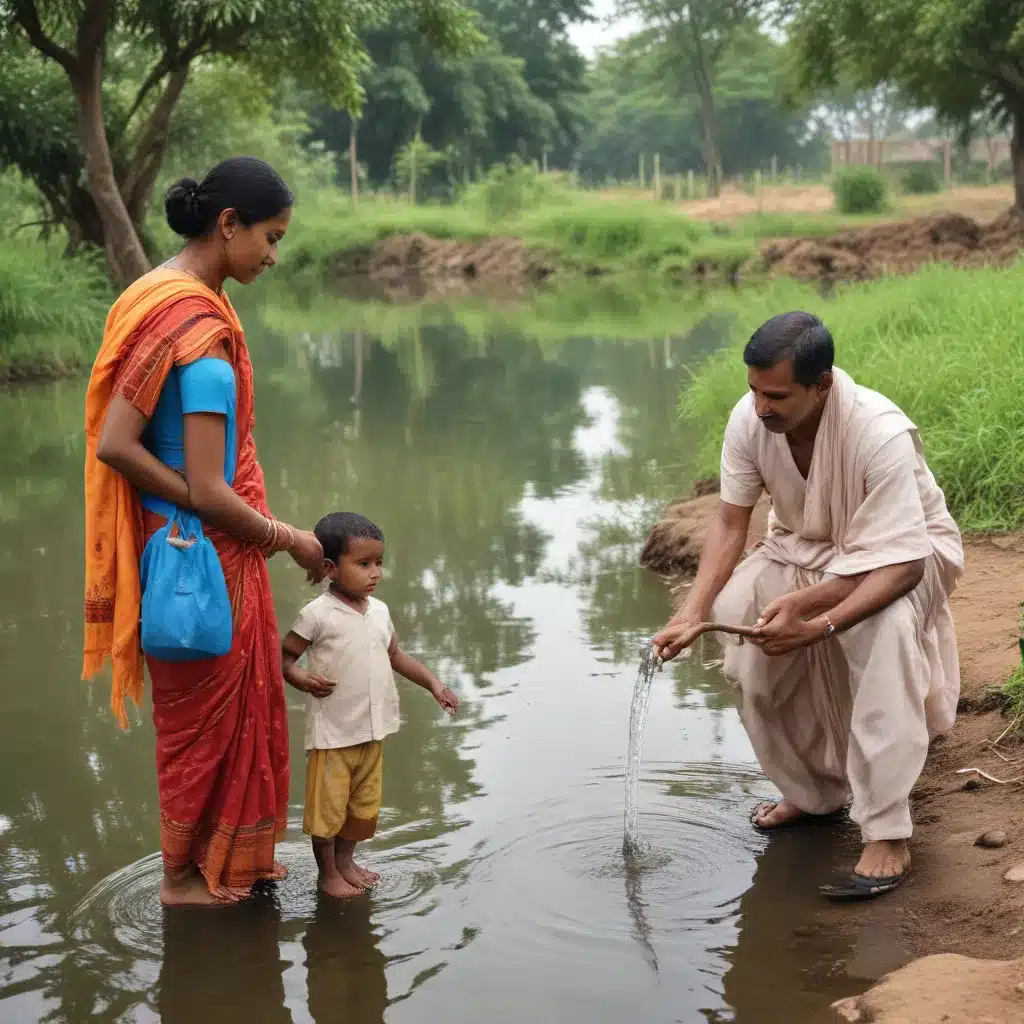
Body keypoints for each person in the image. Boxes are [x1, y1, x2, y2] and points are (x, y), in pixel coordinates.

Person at [653, 312, 963, 901]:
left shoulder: (879, 432)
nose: (760, 407)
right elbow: (729, 519)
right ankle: (813, 791)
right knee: (741, 604)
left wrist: (819, 622)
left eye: (776, 395)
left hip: (903, 554)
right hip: (803, 548)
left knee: (885, 631)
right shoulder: (751, 420)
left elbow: (902, 566)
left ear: (822, 385)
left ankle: (888, 831)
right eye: (753, 391)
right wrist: (694, 610)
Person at [83, 156, 326, 907]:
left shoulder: (155, 297)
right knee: (205, 730)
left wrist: (191, 504)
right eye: (271, 237)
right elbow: (144, 459)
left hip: (171, 555)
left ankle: (201, 872)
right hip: (203, 564)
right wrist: (285, 536)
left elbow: (124, 444)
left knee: (188, 732)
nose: (274, 256)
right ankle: (189, 883)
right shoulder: (201, 338)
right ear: (229, 225)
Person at [282, 512, 459, 899]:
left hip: (374, 731)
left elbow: (396, 655)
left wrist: (434, 683)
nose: (375, 573)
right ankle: (327, 874)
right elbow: (285, 659)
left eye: (379, 563)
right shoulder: (317, 615)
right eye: (363, 564)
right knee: (327, 813)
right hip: (333, 736)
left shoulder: (379, 612)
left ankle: (346, 862)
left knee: (362, 810)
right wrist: (302, 678)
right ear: (330, 568)